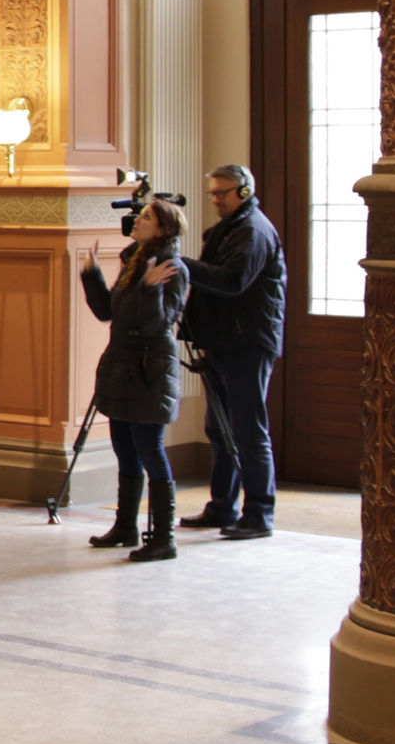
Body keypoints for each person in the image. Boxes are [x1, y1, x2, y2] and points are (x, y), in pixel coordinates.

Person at [172, 163, 287, 539]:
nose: (216, 199)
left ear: (244, 192)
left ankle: (259, 514)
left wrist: (182, 266)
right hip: (224, 340)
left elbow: (233, 281)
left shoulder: (253, 231)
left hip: (248, 343)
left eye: (222, 193)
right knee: (219, 429)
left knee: (248, 431)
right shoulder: (229, 228)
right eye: (214, 193)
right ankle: (222, 506)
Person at [80, 198, 190, 563]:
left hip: (149, 372)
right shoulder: (134, 261)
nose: (136, 221)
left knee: (150, 450)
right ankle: (125, 527)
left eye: (146, 218)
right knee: (124, 450)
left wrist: (149, 288)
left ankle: (163, 537)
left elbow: (158, 324)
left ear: (162, 229)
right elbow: (109, 312)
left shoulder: (172, 268)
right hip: (122, 369)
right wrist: (91, 274)